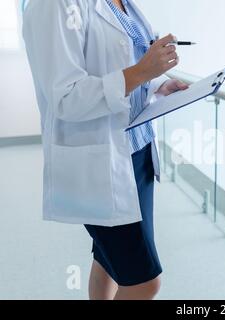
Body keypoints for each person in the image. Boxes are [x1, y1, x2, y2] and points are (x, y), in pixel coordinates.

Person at [23, 0, 188, 300]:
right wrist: (142, 71)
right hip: (101, 162)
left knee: (108, 261)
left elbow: (118, 64)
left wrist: (154, 85)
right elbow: (65, 97)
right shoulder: (53, 5)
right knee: (144, 282)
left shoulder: (121, 2)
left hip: (137, 152)